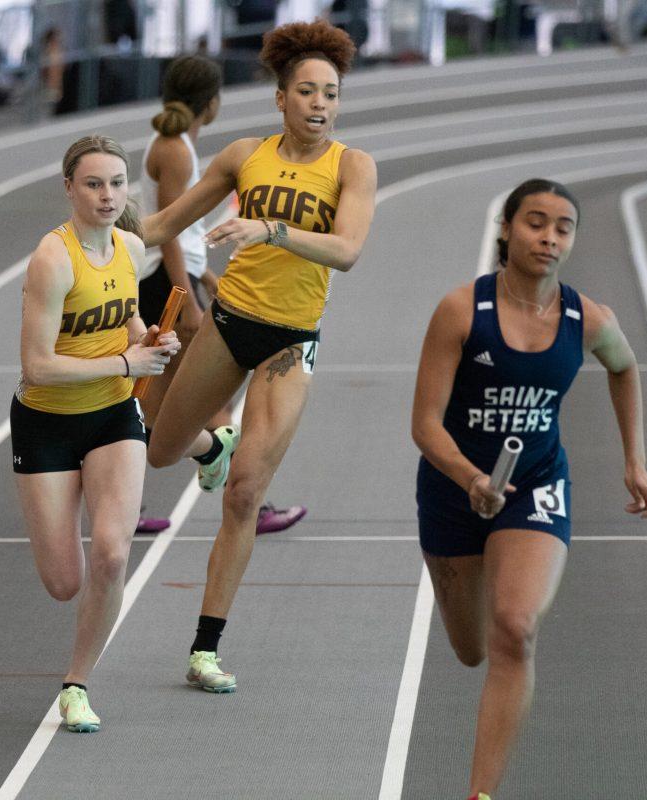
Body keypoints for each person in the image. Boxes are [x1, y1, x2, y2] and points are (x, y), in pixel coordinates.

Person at [140, 19, 377, 692]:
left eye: (330, 92)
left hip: (290, 340)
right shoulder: (245, 155)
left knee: (245, 495)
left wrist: (272, 228)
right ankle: (209, 451)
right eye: (307, 91)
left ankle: (204, 649)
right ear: (281, 97)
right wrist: (91, 223)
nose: (320, 104)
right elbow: (161, 225)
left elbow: (348, 251)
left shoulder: (352, 167)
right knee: (160, 449)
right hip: (231, 322)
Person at [410, 179, 647, 800]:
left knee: (515, 628)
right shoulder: (462, 311)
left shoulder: (588, 318)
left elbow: (626, 368)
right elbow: (424, 425)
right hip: (453, 489)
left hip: (537, 486)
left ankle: (480, 795)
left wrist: (635, 460)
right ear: (506, 229)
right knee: (470, 650)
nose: (549, 238)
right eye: (536, 223)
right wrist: (469, 477)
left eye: (563, 227)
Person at [13, 134, 181, 732]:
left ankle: (76, 683)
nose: (108, 195)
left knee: (112, 552)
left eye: (117, 183)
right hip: (47, 423)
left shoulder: (132, 248)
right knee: (65, 582)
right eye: (93, 184)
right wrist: (127, 364)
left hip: (113, 416)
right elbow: (37, 366)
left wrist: (150, 339)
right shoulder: (52, 260)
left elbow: (128, 317)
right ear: (69, 189)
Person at [135, 53, 307, 536]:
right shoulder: (174, 149)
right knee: (199, 400)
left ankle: (127, 506)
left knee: (154, 406)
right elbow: (169, 230)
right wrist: (185, 298)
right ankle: (249, 499)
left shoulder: (176, 144)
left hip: (175, 281)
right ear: (211, 103)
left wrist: (203, 278)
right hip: (166, 288)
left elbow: (183, 235)